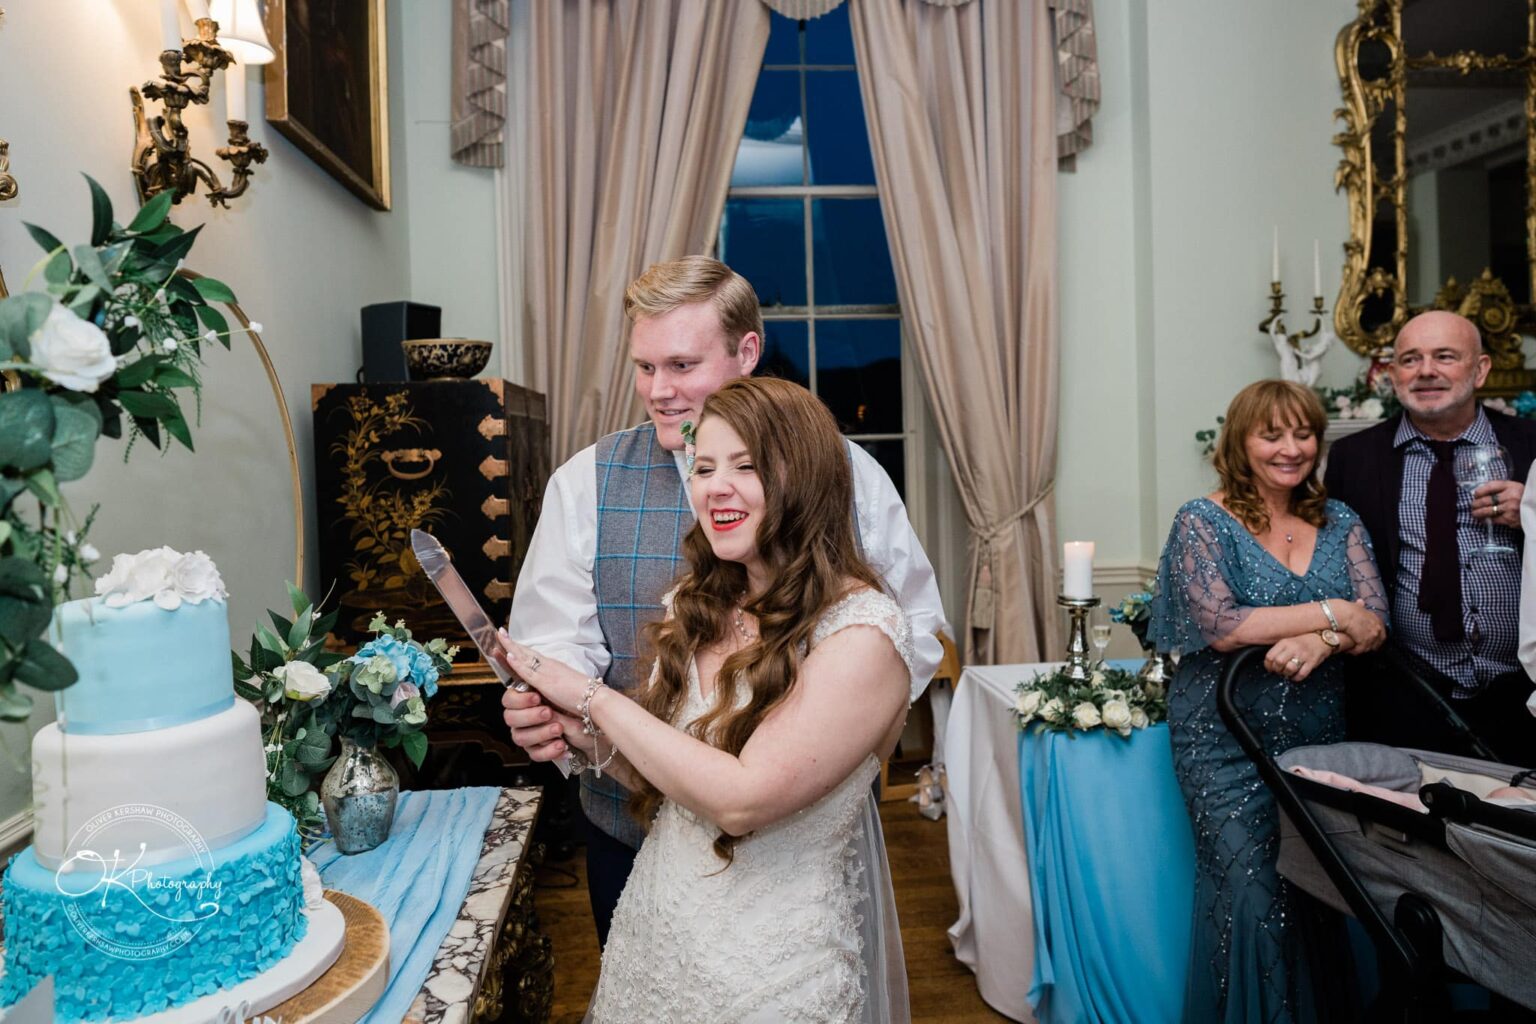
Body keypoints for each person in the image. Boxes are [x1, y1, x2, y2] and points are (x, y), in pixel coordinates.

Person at [504, 255, 948, 946]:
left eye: (681, 365)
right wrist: (549, 711)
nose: (659, 390)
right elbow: (553, 646)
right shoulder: (584, 480)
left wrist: (833, 746)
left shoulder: (842, 470)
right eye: (644, 367)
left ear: (747, 352)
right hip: (629, 831)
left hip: (789, 862)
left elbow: (911, 627)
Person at [496, 377, 914, 1022]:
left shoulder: (863, 638)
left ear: (804, 480)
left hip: (771, 973)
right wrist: (578, 733)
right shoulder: (706, 606)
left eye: (745, 466)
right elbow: (674, 782)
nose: (713, 485)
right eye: (704, 465)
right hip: (656, 936)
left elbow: (740, 801)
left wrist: (590, 697)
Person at [1149, 379, 1389, 1024]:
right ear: (1241, 442)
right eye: (1272, 434)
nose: (1291, 448)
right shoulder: (1203, 520)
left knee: (1314, 891)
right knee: (1251, 893)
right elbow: (1223, 624)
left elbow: (1377, 622)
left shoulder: (1340, 520)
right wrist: (1334, 611)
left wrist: (1325, 636)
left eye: (1304, 432)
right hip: (1225, 738)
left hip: (1317, 736)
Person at [1325, 311, 1536, 763]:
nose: (1426, 371)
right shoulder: (1353, 458)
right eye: (1410, 359)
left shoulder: (1531, 446)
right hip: (1407, 694)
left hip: (1524, 694)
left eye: (1445, 356)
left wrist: (1535, 511)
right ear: (1393, 374)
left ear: (1480, 370)